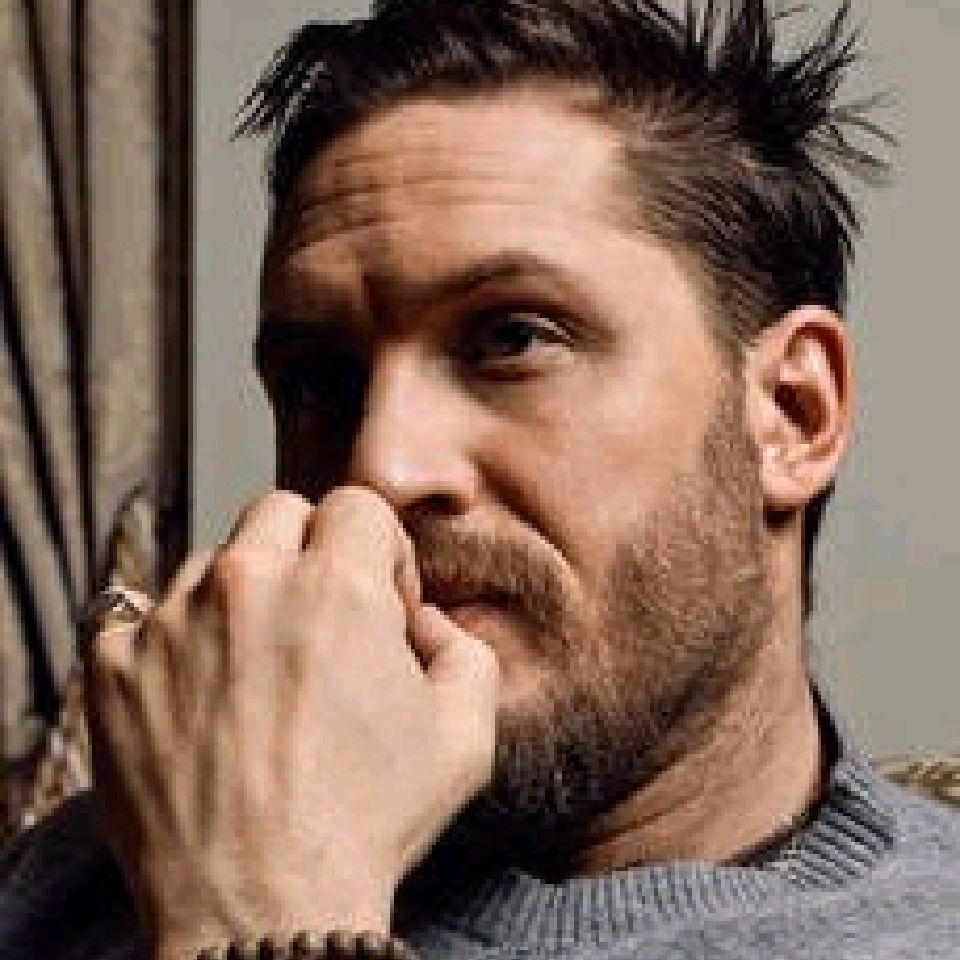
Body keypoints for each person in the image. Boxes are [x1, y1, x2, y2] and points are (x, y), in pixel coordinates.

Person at [2, 1, 958, 958]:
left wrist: (257, 920)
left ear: (792, 415)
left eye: (511, 338)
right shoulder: (101, 868)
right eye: (318, 380)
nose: (378, 470)